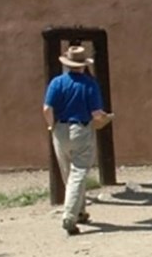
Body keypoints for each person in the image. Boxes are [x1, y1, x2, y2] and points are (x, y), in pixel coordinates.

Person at [41, 44, 112, 234]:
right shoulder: (90, 84)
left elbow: (47, 109)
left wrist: (51, 126)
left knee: (68, 173)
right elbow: (96, 113)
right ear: (83, 64)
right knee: (79, 173)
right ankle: (70, 216)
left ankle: (80, 211)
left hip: (60, 130)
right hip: (81, 129)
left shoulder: (57, 82)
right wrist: (105, 118)